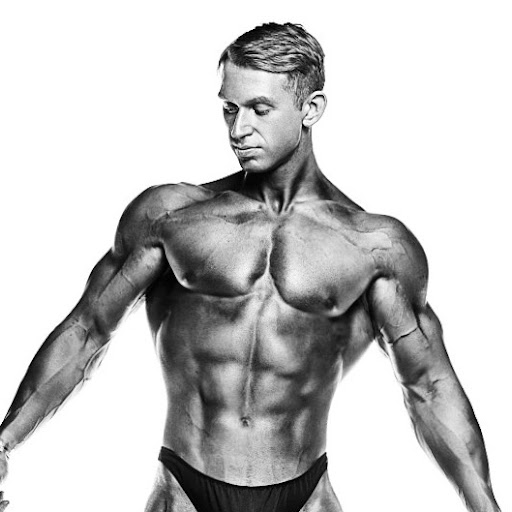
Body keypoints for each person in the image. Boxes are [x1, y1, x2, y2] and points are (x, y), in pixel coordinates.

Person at [0, 22, 502, 512]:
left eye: (260, 110)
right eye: (229, 109)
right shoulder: (171, 217)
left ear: (311, 109)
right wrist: (3, 444)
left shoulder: (373, 246)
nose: (238, 130)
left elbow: (428, 385)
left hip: (305, 494)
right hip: (184, 488)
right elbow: (88, 330)